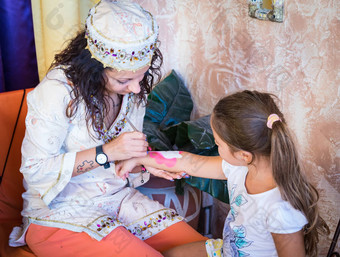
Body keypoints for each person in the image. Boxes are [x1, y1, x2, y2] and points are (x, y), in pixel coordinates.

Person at [9, 1, 207, 256]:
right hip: (58, 210)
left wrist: (143, 162)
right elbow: (36, 171)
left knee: (203, 250)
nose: (136, 89)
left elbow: (121, 162)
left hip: (116, 199)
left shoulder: (132, 90)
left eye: (141, 76)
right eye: (123, 80)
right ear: (93, 68)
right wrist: (106, 152)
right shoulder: (57, 92)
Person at [117, 90, 330, 257]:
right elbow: (190, 162)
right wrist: (139, 158)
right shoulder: (241, 168)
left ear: (244, 155)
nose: (215, 146)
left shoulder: (280, 210)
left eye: (218, 143)